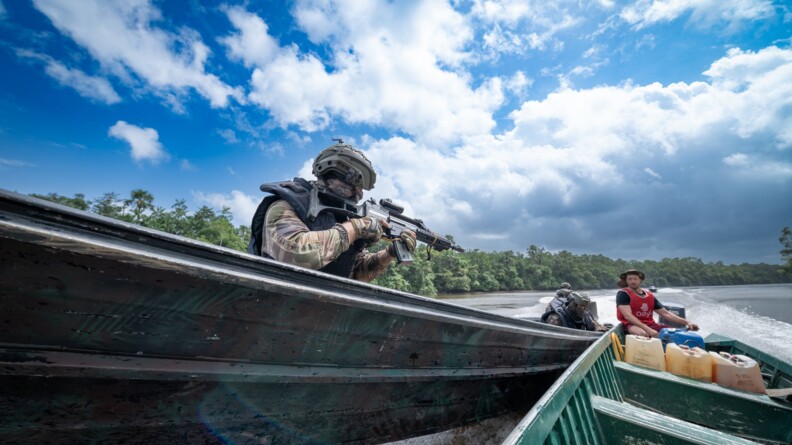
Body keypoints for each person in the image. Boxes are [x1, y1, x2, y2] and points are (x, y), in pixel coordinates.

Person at [248, 139, 416, 282]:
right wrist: (355, 228)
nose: (359, 195)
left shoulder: (340, 218)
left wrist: (389, 253)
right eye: (353, 187)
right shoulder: (287, 205)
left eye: (361, 190)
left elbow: (355, 271)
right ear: (333, 175)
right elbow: (296, 254)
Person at [616, 269, 699, 337]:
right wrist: (648, 330)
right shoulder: (623, 294)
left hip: (650, 324)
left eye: (635, 279)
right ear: (626, 281)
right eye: (630, 279)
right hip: (631, 325)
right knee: (643, 334)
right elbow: (628, 316)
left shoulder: (649, 296)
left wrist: (687, 322)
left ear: (640, 280)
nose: (632, 281)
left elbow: (666, 314)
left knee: (675, 334)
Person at [541, 292, 609, 332]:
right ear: (574, 304)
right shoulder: (556, 318)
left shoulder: (585, 315)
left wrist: (598, 328)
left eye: (585, 306)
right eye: (582, 306)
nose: (584, 309)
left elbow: (593, 327)